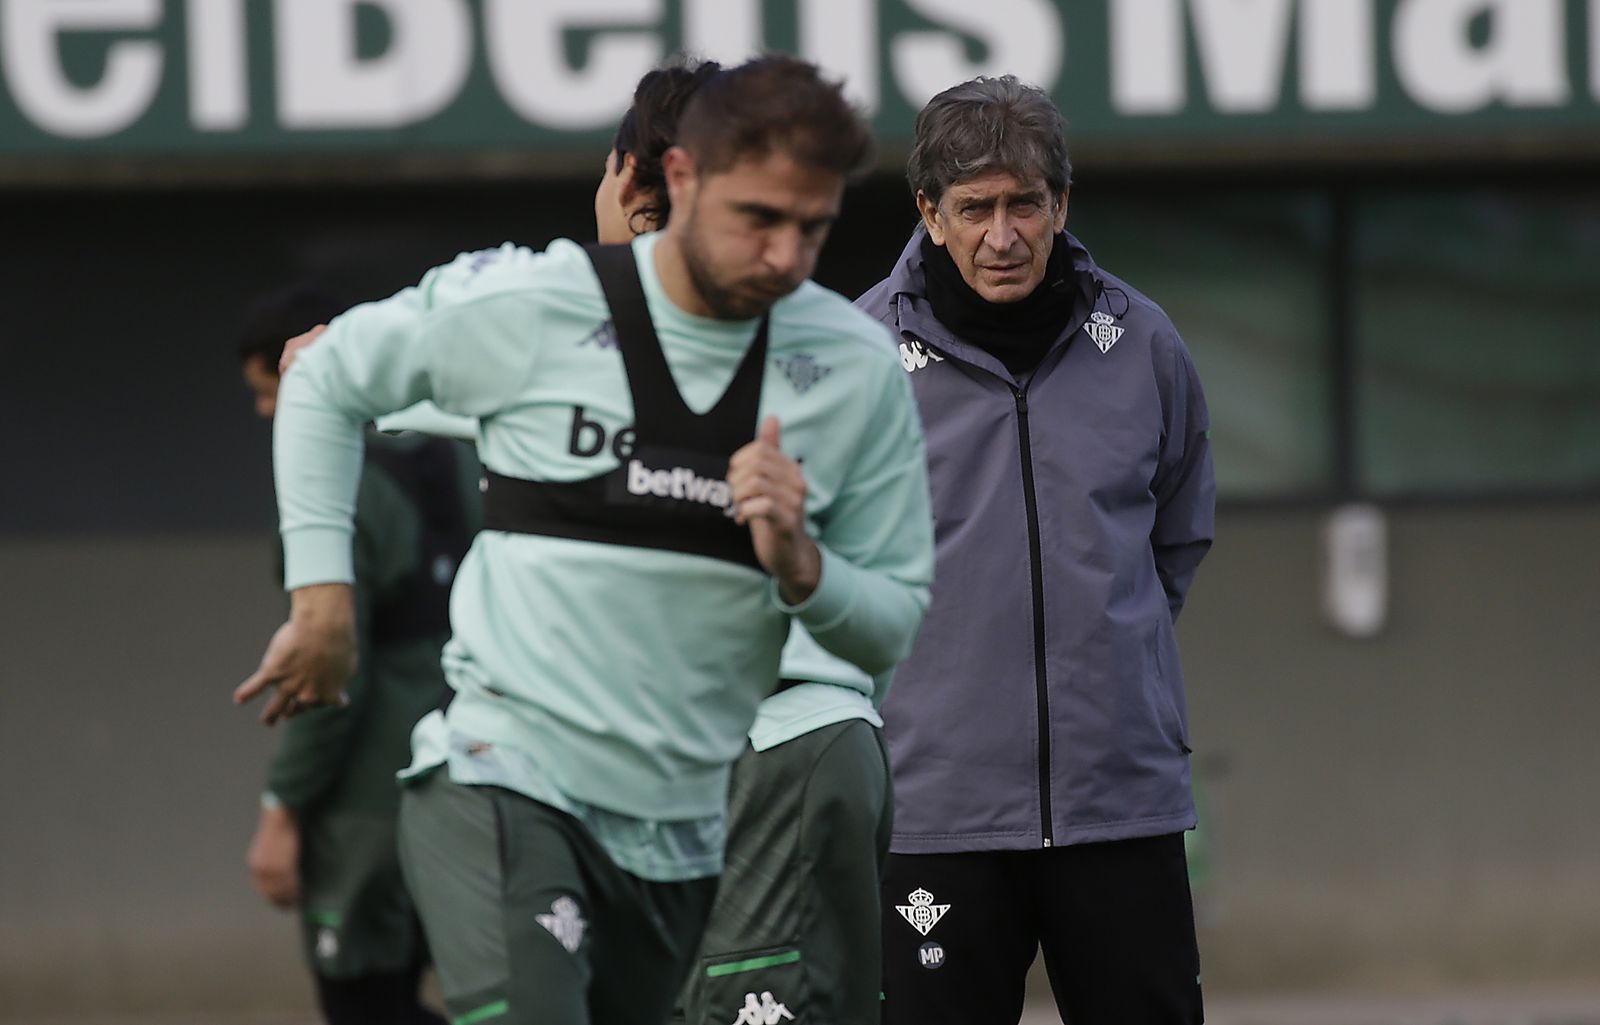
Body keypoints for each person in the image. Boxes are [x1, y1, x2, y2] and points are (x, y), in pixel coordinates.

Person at [235, 55, 933, 1025]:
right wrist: (323, 609)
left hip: (697, 816)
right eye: (757, 219)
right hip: (502, 770)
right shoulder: (532, 302)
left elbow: (891, 620)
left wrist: (803, 566)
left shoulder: (854, 367)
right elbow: (324, 378)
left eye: (810, 227)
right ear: (677, 178)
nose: (784, 255)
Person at [860, 76, 1215, 1025]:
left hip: (1118, 799)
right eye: (975, 209)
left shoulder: (1141, 343)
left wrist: (1105, 655)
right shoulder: (853, 359)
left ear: (1062, 203)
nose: (1003, 235)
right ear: (931, 215)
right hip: (932, 807)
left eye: (1025, 204)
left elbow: (1175, 535)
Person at [236, 284, 480, 1025]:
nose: (267, 412)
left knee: (365, 1005)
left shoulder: (334, 487)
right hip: (476, 774)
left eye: (269, 388)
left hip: (373, 805)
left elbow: (330, 669)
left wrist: (282, 810)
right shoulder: (453, 452)